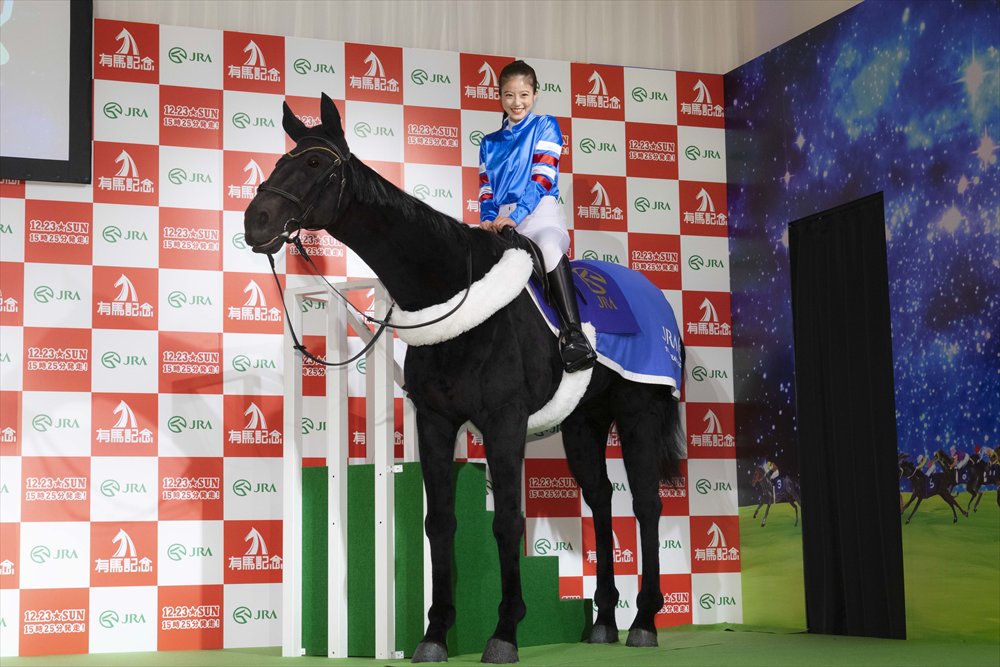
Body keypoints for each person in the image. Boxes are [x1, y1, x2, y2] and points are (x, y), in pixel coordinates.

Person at [477, 59, 597, 373]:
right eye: (509, 95)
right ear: (500, 96)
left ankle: (574, 336)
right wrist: (488, 217)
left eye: (524, 95)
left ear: (535, 94)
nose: (516, 102)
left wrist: (517, 215)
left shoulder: (546, 126)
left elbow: (542, 178)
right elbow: (486, 188)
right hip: (502, 224)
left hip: (540, 217)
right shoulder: (488, 142)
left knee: (549, 248)